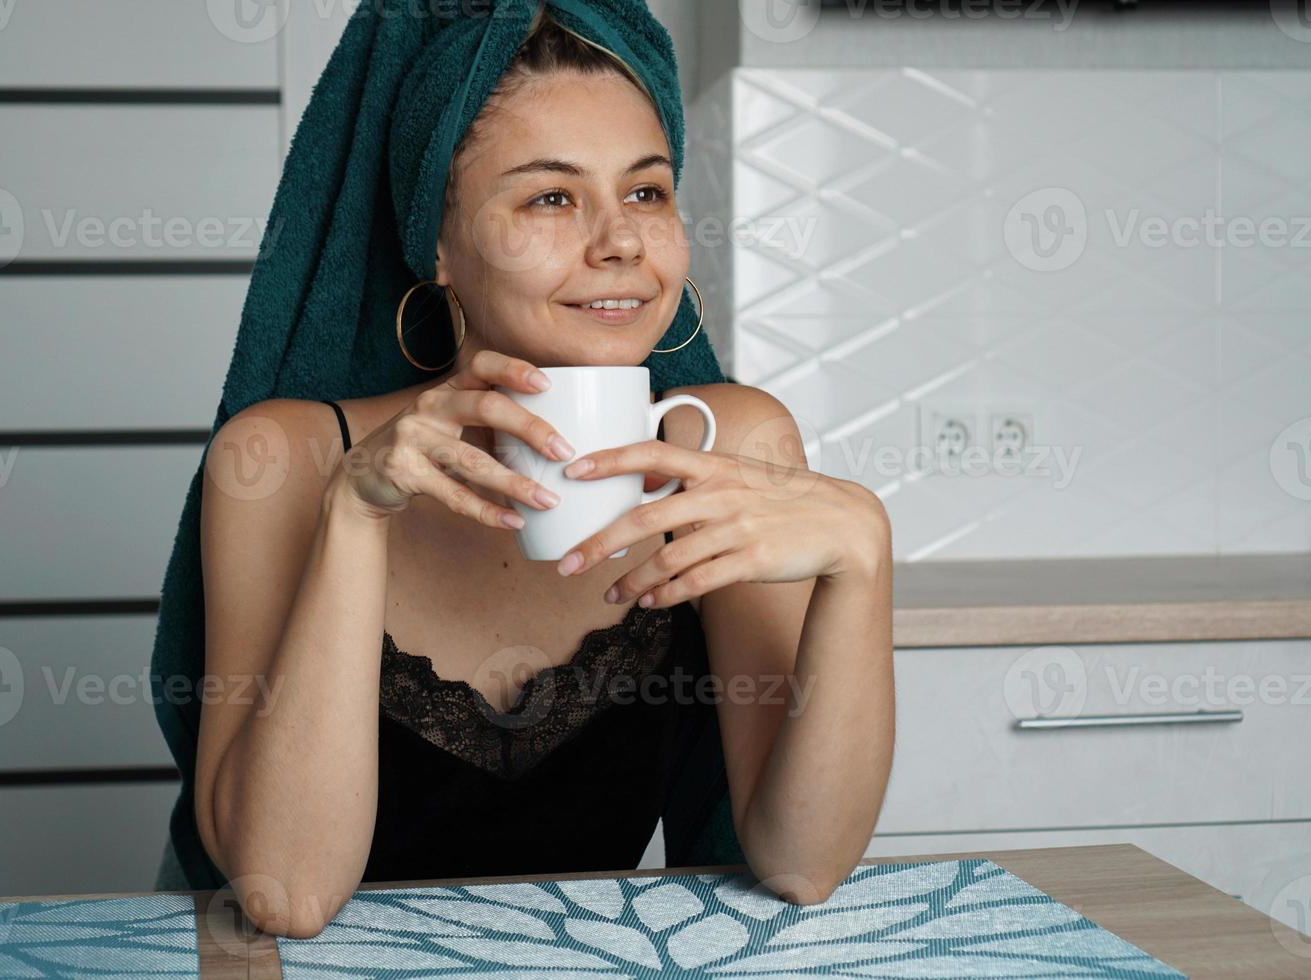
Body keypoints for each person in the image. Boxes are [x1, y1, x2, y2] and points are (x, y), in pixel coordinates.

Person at [178, 3, 895, 940]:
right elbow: (288, 895)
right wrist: (354, 515)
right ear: (435, 242)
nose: (623, 244)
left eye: (646, 192)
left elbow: (803, 864)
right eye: (551, 198)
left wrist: (863, 561)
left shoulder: (729, 444)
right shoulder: (279, 461)